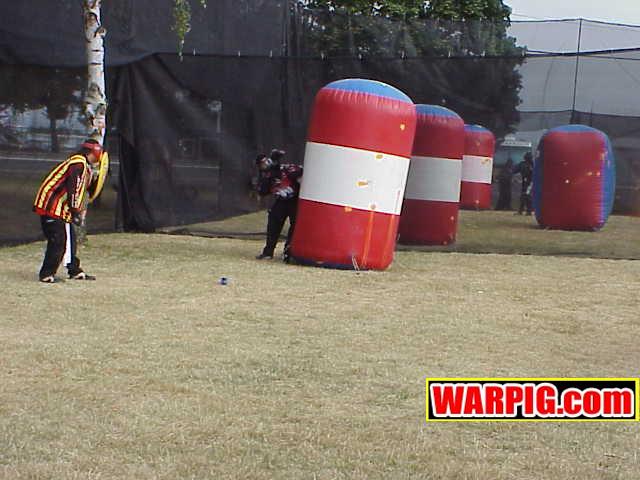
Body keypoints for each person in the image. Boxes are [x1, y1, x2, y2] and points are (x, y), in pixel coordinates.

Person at [33, 139, 102, 282]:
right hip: (51, 206)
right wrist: (75, 211)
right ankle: (46, 274)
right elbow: (74, 188)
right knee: (58, 240)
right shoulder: (78, 164)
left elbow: (83, 190)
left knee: (70, 240)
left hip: (61, 208)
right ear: (93, 152)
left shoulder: (82, 165)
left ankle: (75, 270)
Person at [255, 149, 303, 262]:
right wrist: (268, 175)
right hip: (281, 202)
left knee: (295, 225)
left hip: (295, 201)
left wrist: (277, 166)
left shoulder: (286, 169)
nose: (266, 164)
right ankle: (268, 252)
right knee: (273, 223)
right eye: (262, 164)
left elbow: (300, 172)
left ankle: (288, 252)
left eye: (267, 161)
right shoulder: (266, 176)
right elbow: (262, 191)